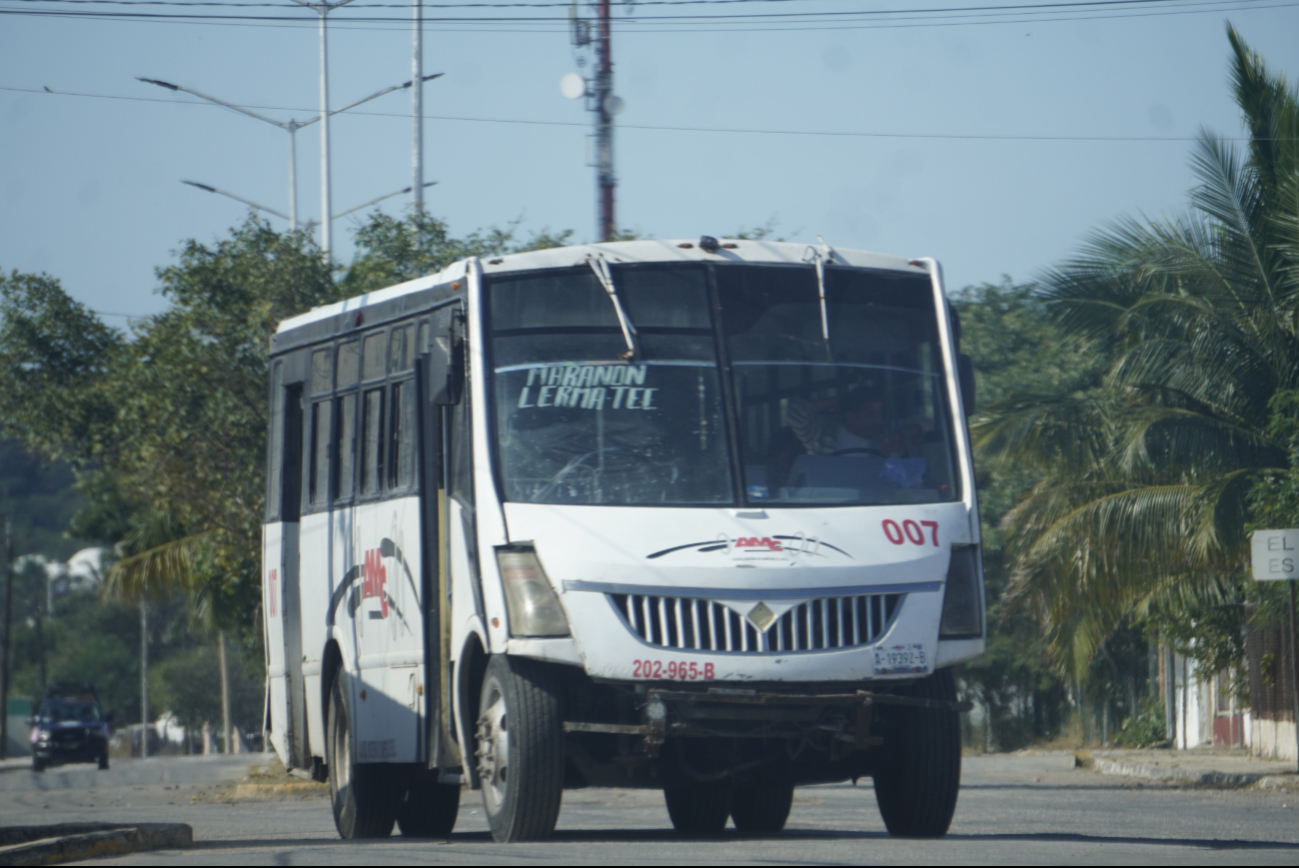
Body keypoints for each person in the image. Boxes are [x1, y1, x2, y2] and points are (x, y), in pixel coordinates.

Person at [786, 388, 893, 456]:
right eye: (871, 414)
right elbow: (794, 414)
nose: (879, 420)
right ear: (850, 417)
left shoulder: (887, 433)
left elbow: (909, 425)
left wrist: (901, 435)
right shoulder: (821, 433)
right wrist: (833, 402)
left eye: (880, 413)